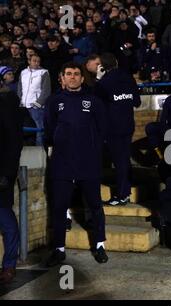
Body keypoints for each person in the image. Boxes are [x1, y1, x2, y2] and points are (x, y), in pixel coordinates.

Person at [44, 62, 108, 266]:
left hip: (88, 164)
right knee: (59, 206)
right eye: (68, 74)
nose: (72, 77)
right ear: (62, 78)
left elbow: (102, 130)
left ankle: (99, 246)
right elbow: (49, 129)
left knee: (96, 206)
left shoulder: (94, 101)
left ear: (82, 78)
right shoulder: (54, 102)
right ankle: (59, 249)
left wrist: (93, 152)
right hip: (62, 164)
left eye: (76, 74)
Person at [94, 53, 141, 206]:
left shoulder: (104, 82)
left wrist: (98, 80)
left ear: (103, 67)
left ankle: (122, 194)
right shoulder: (128, 77)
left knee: (119, 161)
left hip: (112, 127)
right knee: (124, 157)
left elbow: (96, 104)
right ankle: (126, 188)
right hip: (128, 124)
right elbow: (137, 102)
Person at [0, 79, 23, 284]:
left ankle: (9, 265)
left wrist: (7, 174)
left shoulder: (7, 104)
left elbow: (14, 143)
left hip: (1, 174)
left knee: (6, 221)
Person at [17, 54, 51, 146]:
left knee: (39, 128)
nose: (36, 63)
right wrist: (20, 101)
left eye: (38, 61)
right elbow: (20, 88)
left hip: (36, 107)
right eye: (34, 60)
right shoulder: (23, 72)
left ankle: (39, 149)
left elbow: (46, 91)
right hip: (23, 106)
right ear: (29, 61)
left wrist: (37, 104)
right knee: (21, 128)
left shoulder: (44, 72)